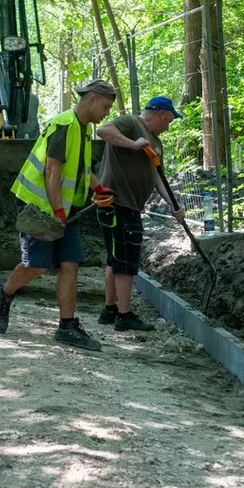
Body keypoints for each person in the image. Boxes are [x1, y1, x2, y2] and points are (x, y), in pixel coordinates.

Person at [0, 79, 117, 351]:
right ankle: (3, 294)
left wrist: (98, 187)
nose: (106, 112)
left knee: (70, 263)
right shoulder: (65, 124)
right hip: (39, 207)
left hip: (64, 209)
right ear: (92, 99)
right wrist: (58, 211)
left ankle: (67, 326)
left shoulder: (82, 130)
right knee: (36, 266)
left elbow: (80, 168)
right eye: (105, 106)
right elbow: (52, 171)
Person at [95, 96, 185, 331]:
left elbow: (157, 177)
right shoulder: (131, 123)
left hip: (131, 206)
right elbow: (103, 130)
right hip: (117, 202)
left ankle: (110, 310)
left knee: (116, 258)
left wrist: (174, 205)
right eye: (170, 120)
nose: (169, 126)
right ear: (161, 114)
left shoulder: (156, 143)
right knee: (125, 260)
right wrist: (132, 143)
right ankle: (124, 316)